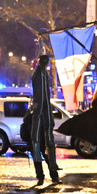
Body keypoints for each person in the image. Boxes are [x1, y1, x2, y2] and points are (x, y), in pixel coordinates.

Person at [30, 54, 60, 186]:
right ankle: (45, 176)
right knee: (41, 152)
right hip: (40, 134)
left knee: (44, 153)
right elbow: (42, 97)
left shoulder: (41, 74)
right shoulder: (40, 74)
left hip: (42, 132)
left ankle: (51, 176)